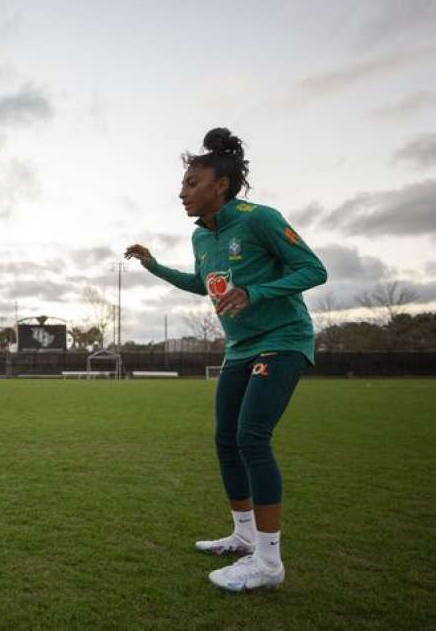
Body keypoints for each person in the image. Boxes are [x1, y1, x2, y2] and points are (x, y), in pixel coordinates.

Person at [125, 128, 327, 592]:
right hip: (240, 347)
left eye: (192, 182)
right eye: (182, 184)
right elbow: (205, 286)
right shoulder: (201, 239)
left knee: (252, 437)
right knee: (225, 439)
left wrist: (255, 292)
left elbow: (314, 269)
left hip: (283, 338)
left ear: (222, 184)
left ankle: (268, 560)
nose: (182, 191)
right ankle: (243, 534)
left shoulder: (261, 219)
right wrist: (153, 265)